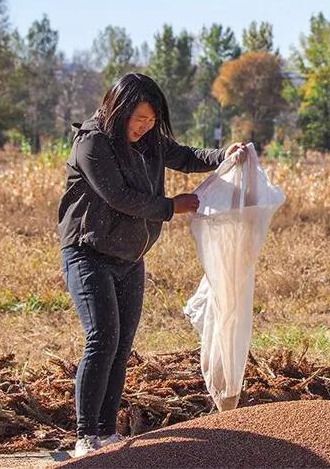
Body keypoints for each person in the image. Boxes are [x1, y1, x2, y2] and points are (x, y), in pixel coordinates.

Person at [57, 73, 246, 456]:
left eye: (150, 121)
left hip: (129, 258)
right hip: (88, 253)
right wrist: (170, 207)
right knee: (102, 338)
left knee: (122, 344)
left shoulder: (149, 141)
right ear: (117, 110)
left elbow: (186, 156)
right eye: (137, 119)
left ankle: (107, 433)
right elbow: (118, 196)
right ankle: (84, 436)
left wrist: (222, 155)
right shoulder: (93, 144)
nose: (143, 128)